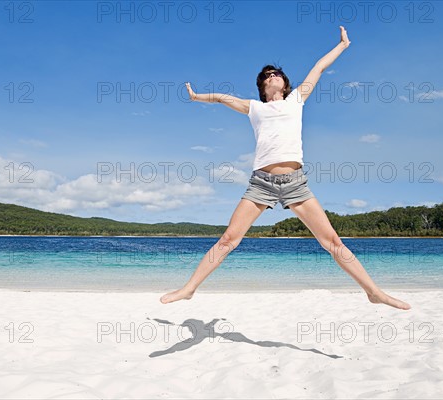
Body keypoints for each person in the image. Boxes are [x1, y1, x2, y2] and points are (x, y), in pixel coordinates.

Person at [160, 26, 411, 310]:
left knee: (332, 242)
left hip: (295, 182)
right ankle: (190, 288)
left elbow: (318, 67)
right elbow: (222, 98)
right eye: (267, 76)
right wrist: (196, 97)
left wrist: (342, 46)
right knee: (229, 239)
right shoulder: (255, 108)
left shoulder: (296, 100)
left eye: (276, 73)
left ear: (284, 82)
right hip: (261, 182)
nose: (273, 76)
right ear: (263, 87)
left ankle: (374, 292)